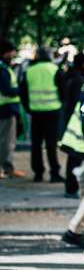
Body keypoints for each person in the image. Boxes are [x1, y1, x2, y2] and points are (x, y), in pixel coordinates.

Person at [19, 46, 65, 183]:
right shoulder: (55, 69)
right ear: (50, 55)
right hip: (52, 110)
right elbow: (62, 91)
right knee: (51, 144)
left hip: (35, 111)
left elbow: (23, 92)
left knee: (36, 144)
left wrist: (29, 108)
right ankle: (54, 173)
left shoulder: (29, 71)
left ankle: (38, 173)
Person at [62, 53, 84, 198]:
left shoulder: (70, 75)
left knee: (72, 156)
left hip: (68, 117)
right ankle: (73, 188)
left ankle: (71, 186)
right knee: (76, 156)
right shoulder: (79, 79)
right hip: (76, 120)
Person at [0, 40, 26, 179]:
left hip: (5, 108)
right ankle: (7, 168)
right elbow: (6, 90)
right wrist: (19, 90)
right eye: (12, 51)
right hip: (6, 109)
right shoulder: (3, 69)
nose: (14, 54)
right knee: (6, 140)